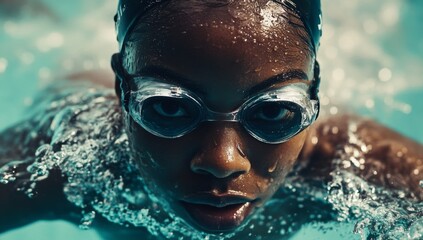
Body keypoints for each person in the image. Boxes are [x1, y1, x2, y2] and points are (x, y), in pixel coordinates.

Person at [0, 0, 422, 239]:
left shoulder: (349, 164)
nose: (222, 161)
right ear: (121, 92)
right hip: (77, 72)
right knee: (38, 28)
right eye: (168, 107)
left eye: (274, 111)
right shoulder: (66, 165)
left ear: (314, 93)